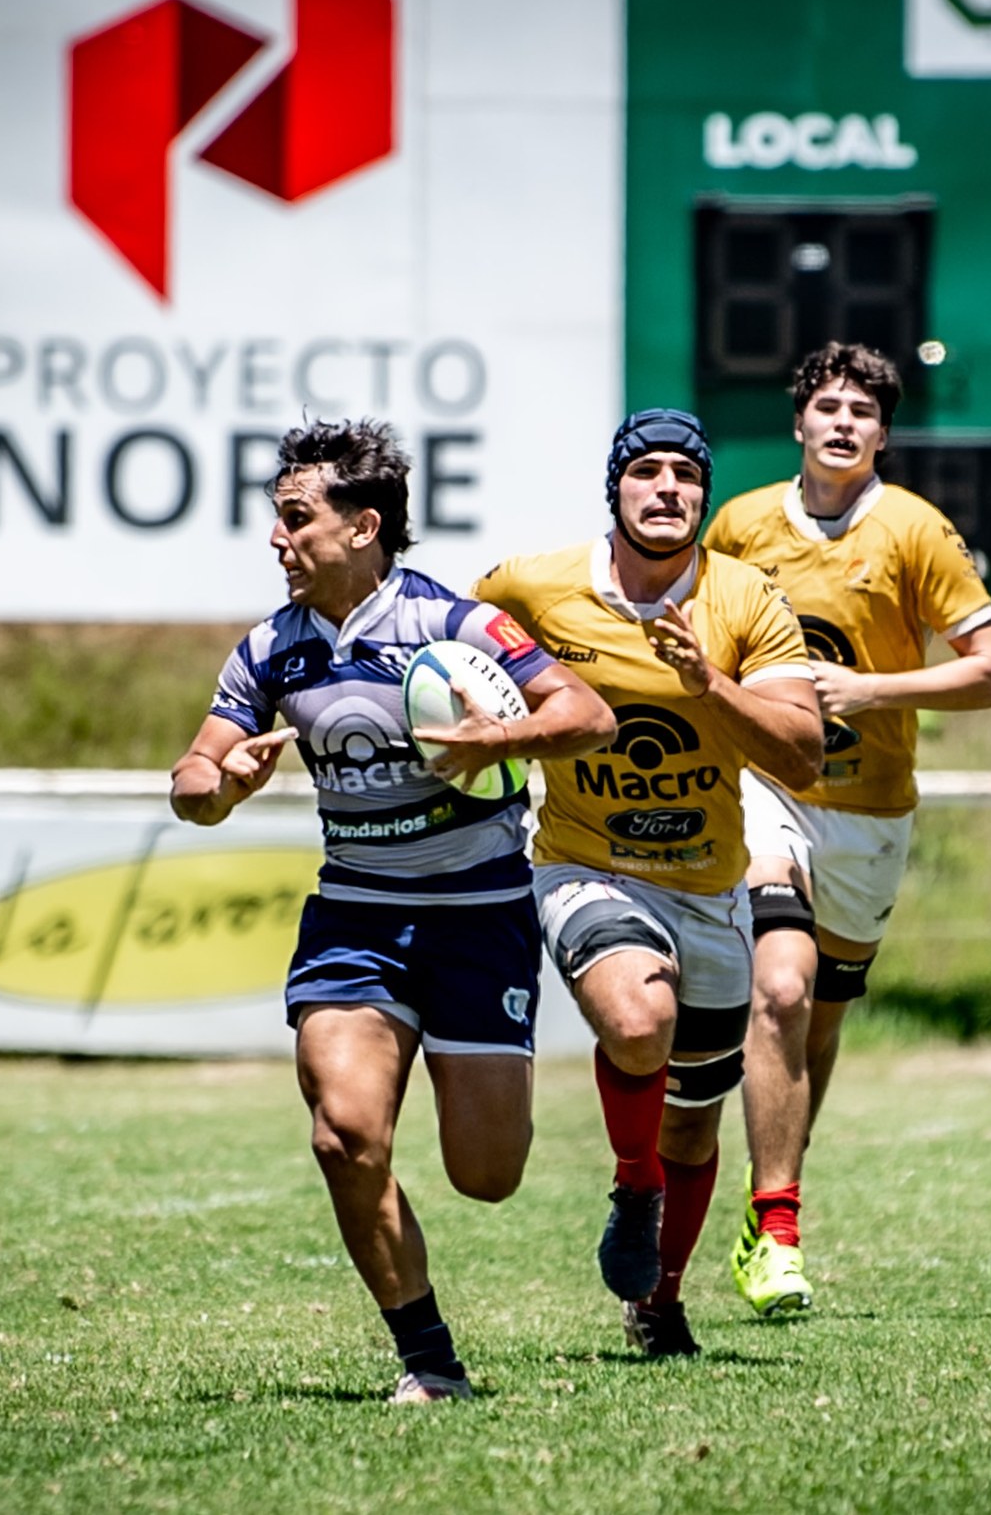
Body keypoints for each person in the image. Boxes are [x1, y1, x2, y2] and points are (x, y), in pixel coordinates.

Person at [170, 418, 616, 1404]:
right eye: (276, 519)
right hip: (356, 917)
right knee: (344, 1133)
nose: (278, 539)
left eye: (297, 519)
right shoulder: (271, 651)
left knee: (487, 1173)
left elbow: (588, 715)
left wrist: (492, 739)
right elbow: (191, 777)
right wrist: (219, 784)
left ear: (362, 524)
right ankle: (428, 1359)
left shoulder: (451, 624)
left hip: (477, 911)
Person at [475, 409, 822, 1358]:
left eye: (686, 476)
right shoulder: (532, 586)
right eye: (648, 472)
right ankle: (634, 1182)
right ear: (615, 490)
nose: (668, 489)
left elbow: (804, 754)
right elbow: (455, 664)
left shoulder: (745, 599)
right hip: (585, 862)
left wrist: (710, 685)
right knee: (637, 1022)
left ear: (703, 496)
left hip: (710, 884)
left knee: (696, 1123)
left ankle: (659, 1300)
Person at [703, 342, 991, 1317]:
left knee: (819, 1022)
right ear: (797, 421)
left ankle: (773, 1195)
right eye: (826, 406)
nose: (842, 423)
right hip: (765, 788)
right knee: (780, 989)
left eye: (862, 411)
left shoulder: (916, 531)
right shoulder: (741, 524)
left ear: (882, 432)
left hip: (870, 810)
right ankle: (779, 1224)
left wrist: (869, 687)